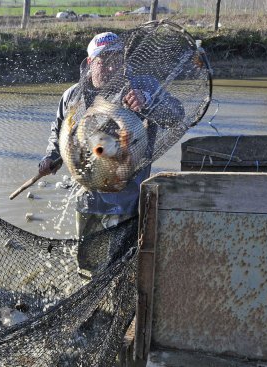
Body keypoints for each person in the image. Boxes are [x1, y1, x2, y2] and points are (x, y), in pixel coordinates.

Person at [38, 32, 184, 279]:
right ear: (90, 62)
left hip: (131, 196)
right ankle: (92, 299)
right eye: (103, 61)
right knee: (88, 265)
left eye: (117, 59)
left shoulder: (144, 87)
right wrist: (52, 157)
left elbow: (176, 115)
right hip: (89, 197)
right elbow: (60, 132)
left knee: (126, 265)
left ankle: (121, 301)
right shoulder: (73, 96)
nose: (112, 66)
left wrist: (148, 103)